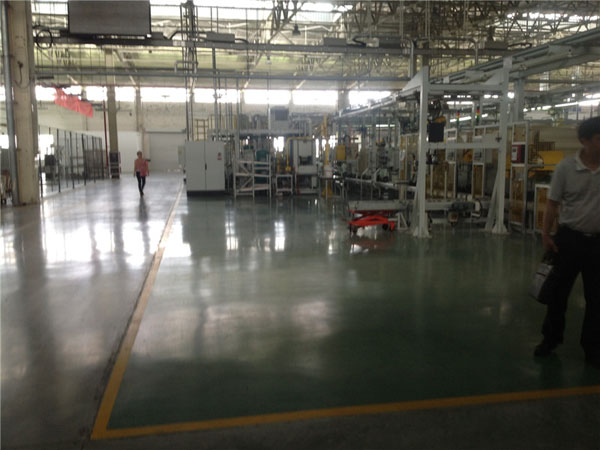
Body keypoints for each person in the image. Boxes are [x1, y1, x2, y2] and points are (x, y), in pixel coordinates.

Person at [534, 116, 600, 369]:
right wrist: (546, 234)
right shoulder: (566, 168)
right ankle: (550, 339)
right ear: (585, 141)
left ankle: (593, 347)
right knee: (558, 294)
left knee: (597, 298)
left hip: (597, 243)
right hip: (569, 239)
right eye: (599, 138)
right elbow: (552, 204)